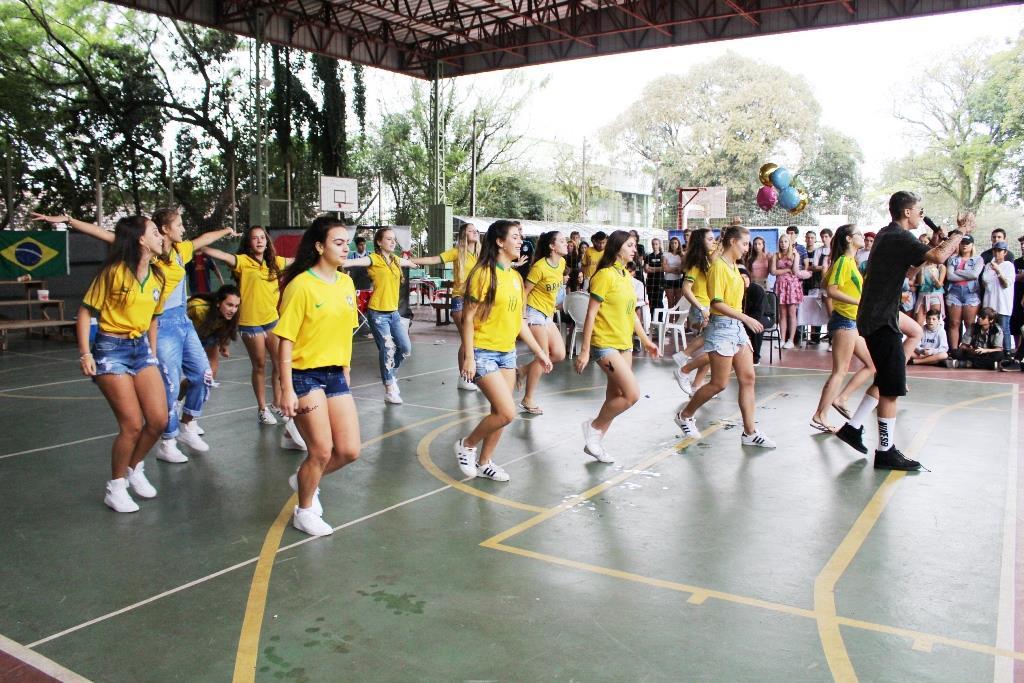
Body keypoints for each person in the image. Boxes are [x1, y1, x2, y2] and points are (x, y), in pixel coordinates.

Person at [35, 209, 238, 460]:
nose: (184, 229)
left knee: (204, 374)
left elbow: (204, 238)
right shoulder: (151, 255)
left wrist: (227, 231)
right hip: (159, 323)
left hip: (181, 321)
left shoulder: (180, 250)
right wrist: (68, 220)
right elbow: (107, 235)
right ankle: (168, 441)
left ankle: (188, 423)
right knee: (170, 385)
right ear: (164, 230)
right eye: (179, 224)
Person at [833, 192, 972, 470]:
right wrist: (961, 231)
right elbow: (940, 257)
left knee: (887, 378)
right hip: (881, 319)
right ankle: (885, 451)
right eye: (920, 209)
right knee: (891, 388)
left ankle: (854, 427)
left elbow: (911, 269)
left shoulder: (888, 235)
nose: (923, 214)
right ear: (907, 212)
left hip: (877, 316)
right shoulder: (898, 236)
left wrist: (938, 243)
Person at [276, 216, 362, 536]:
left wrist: (346, 367)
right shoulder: (301, 285)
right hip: (304, 376)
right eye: (338, 242)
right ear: (319, 246)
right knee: (322, 450)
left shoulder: (346, 283)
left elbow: (345, 331)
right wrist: (286, 388)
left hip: (335, 374)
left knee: (350, 451)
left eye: (347, 242)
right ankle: (305, 510)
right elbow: (286, 340)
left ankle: (305, 477)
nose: (345, 247)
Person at [77, 216, 168, 512]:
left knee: (158, 421)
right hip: (110, 349)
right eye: (155, 232)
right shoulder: (113, 273)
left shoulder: (157, 276)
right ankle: (115, 487)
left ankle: (133, 466)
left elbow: (154, 317)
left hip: (141, 348)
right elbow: (85, 312)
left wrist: (152, 352)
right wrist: (85, 353)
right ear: (141, 240)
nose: (161, 236)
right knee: (131, 425)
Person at [454, 221, 552, 481]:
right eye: (516, 237)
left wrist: (540, 352)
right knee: (507, 411)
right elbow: (468, 318)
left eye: (521, 237)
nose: (520, 241)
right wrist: (469, 357)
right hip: (483, 352)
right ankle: (467, 444)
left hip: (507, 353)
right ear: (500, 242)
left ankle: (485, 462)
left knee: (500, 414)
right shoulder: (483, 274)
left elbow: (520, 322)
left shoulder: (516, 278)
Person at [675, 226, 774, 448]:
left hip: (736, 327)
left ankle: (750, 433)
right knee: (719, 383)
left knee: (748, 379)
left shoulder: (733, 267)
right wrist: (746, 318)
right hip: (721, 327)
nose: (747, 248)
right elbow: (717, 303)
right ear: (732, 242)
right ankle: (685, 415)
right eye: (744, 243)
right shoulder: (718, 267)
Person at [575, 230, 660, 462]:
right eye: (631, 245)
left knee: (615, 395)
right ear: (618, 247)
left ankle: (595, 442)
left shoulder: (625, 276)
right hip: (605, 344)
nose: (635, 249)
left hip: (625, 345)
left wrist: (646, 341)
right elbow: (590, 314)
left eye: (635, 245)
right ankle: (593, 427)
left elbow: (631, 313)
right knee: (631, 395)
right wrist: (584, 351)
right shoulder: (604, 276)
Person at [202, 226, 292, 425]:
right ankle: (262, 408)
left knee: (280, 364)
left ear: (267, 241)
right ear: (248, 243)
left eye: (262, 238)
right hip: (250, 324)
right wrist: (199, 246)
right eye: (254, 238)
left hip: (271, 321)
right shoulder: (242, 262)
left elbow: (299, 261)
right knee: (259, 365)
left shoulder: (276, 263)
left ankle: (277, 403)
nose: (259, 241)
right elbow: (220, 254)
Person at [810, 225, 875, 432]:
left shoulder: (850, 263)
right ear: (849, 239)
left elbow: (825, 284)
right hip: (845, 321)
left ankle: (842, 398)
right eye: (858, 234)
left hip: (851, 322)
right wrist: (859, 302)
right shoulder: (843, 262)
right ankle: (820, 414)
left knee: (872, 365)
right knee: (840, 371)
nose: (862, 237)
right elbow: (830, 290)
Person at [342, 227, 417, 404]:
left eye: (394, 239)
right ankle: (389, 388)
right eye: (389, 239)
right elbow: (353, 263)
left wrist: (415, 263)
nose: (393, 242)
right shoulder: (373, 259)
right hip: (377, 314)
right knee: (388, 348)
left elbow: (410, 263)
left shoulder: (397, 260)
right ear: (379, 242)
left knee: (405, 349)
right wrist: (338, 261)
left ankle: (391, 374)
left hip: (394, 314)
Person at [410, 223, 481, 391]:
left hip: (477, 301)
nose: (475, 232)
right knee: (466, 339)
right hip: (460, 300)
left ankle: (470, 373)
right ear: (464, 235)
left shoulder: (481, 254)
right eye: (471, 230)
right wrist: (411, 260)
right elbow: (434, 259)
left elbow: (494, 266)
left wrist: (514, 266)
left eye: (476, 230)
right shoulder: (457, 253)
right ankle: (464, 377)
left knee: (474, 339)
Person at [520, 231, 568, 414]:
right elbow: (524, 292)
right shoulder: (539, 267)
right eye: (562, 241)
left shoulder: (561, 263)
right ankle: (528, 399)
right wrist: (523, 317)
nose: (566, 243)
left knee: (559, 354)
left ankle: (522, 371)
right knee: (544, 355)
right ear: (552, 246)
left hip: (547, 314)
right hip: (533, 313)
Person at [674, 228, 716, 395]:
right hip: (702, 308)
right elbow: (686, 288)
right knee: (714, 348)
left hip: (709, 307)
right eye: (710, 239)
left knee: (711, 350)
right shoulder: (696, 263)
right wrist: (701, 307)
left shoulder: (708, 261)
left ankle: (696, 385)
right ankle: (684, 358)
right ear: (701, 242)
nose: (714, 242)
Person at [186, 284, 241, 380]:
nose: (233, 310)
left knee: (209, 374)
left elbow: (227, 327)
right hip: (189, 337)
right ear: (218, 302)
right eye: (230, 305)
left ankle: (205, 391)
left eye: (236, 306)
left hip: (209, 335)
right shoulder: (197, 307)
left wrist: (224, 344)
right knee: (197, 376)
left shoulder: (232, 314)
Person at [944, 234, 982, 350]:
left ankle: (967, 349)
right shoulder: (952, 259)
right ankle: (954, 350)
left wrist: (958, 271)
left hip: (971, 293)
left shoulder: (978, 259)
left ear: (972, 245)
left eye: (967, 243)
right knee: (954, 323)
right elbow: (950, 276)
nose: (964, 245)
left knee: (970, 324)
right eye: (962, 243)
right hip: (954, 293)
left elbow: (975, 275)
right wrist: (967, 275)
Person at [980, 241, 1014, 354]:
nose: (997, 253)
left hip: (1003, 304)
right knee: (990, 330)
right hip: (989, 304)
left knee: (1004, 330)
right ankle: (992, 353)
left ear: (1005, 252)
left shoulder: (1009, 265)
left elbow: (1006, 284)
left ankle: (1007, 353)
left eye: (1000, 251)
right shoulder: (988, 266)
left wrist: (998, 271)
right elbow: (985, 284)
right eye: (995, 250)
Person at [771, 233, 804, 349]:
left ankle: (791, 339)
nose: (783, 244)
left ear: (790, 243)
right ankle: (782, 339)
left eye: (785, 241)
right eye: (781, 242)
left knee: (791, 313)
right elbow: (773, 271)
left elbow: (795, 271)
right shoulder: (776, 255)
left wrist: (795, 257)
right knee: (782, 314)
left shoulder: (795, 254)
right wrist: (786, 270)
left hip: (792, 286)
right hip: (780, 285)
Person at [914, 259, 946, 325]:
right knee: (919, 322)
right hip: (922, 295)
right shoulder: (921, 266)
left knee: (935, 322)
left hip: (935, 296)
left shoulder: (941, 267)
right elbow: (920, 283)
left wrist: (934, 279)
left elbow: (938, 286)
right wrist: (921, 269)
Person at [644, 237, 665, 313]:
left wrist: (651, 268)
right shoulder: (648, 256)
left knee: (659, 301)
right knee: (651, 301)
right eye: (653, 244)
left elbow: (664, 268)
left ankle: (659, 320)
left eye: (656, 244)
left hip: (659, 281)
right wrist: (658, 268)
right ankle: (653, 319)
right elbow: (646, 269)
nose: (654, 246)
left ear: (659, 245)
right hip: (650, 282)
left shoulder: (663, 256)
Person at [662, 236, 684, 307]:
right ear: (670, 245)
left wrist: (671, 269)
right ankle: (670, 318)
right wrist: (677, 269)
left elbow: (682, 270)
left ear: (678, 244)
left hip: (678, 280)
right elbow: (665, 269)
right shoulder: (666, 254)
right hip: (668, 280)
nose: (673, 245)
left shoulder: (682, 255)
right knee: (670, 303)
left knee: (678, 303)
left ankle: (677, 318)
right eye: (672, 243)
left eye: (675, 243)